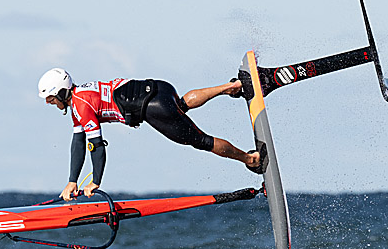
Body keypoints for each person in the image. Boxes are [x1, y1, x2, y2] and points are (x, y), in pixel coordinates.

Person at [37, 68, 261, 200]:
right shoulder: (82, 94)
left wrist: (95, 181)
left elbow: (96, 146)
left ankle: (250, 159)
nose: (49, 103)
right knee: (181, 104)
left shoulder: (81, 106)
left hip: (154, 108)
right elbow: (78, 142)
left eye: (50, 98)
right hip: (160, 88)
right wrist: (72, 181)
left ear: (62, 92)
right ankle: (231, 87)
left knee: (201, 141)